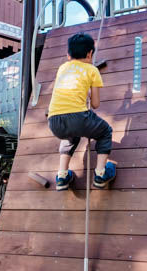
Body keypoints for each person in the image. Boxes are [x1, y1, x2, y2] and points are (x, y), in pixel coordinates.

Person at [47, 32, 117, 191]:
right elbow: (95, 104)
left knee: (70, 137)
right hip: (77, 117)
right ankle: (100, 174)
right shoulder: (92, 70)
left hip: (54, 121)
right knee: (105, 131)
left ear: (68, 55)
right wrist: (91, 94)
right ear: (90, 53)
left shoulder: (62, 68)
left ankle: (62, 175)